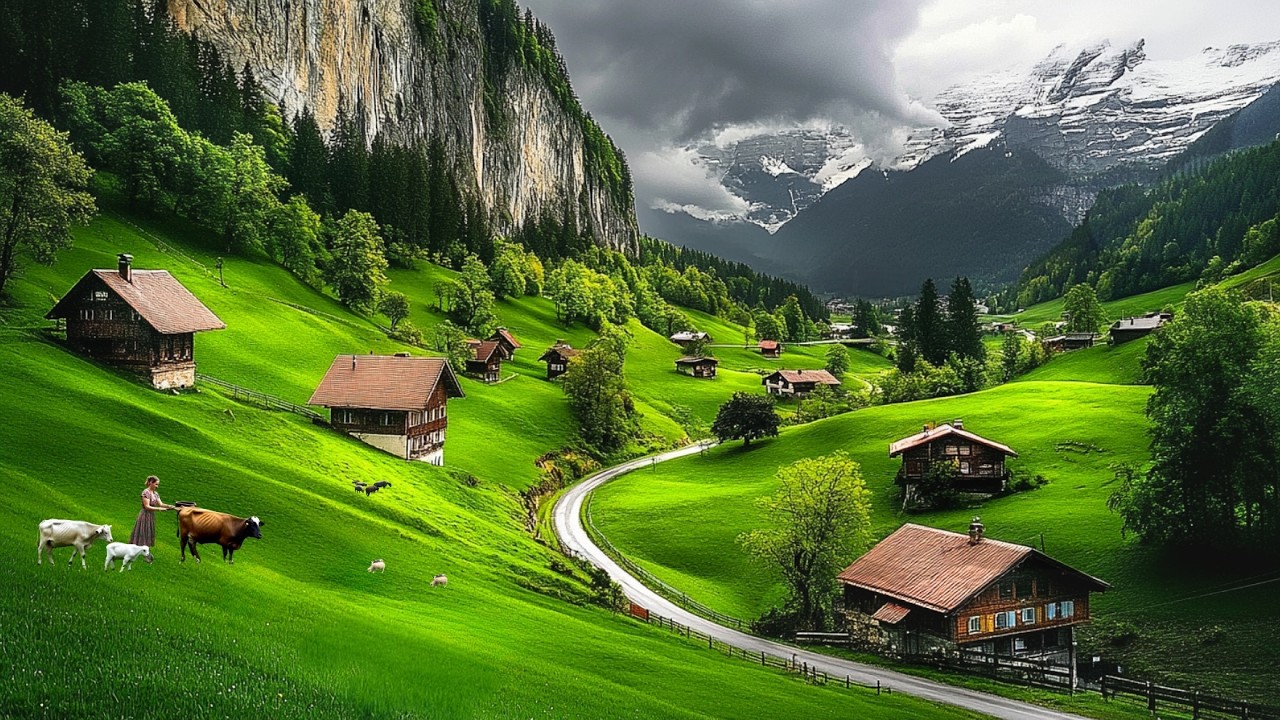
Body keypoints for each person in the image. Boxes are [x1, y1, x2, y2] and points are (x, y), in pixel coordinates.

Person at [130, 475, 173, 547]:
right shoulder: (145, 492)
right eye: (156, 484)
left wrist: (170, 506)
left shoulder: (155, 494)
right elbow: (147, 506)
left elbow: (161, 504)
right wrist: (159, 509)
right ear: (150, 483)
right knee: (143, 531)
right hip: (145, 515)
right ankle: (139, 548)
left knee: (148, 532)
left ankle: (146, 549)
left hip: (151, 515)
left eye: (158, 484)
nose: (157, 486)